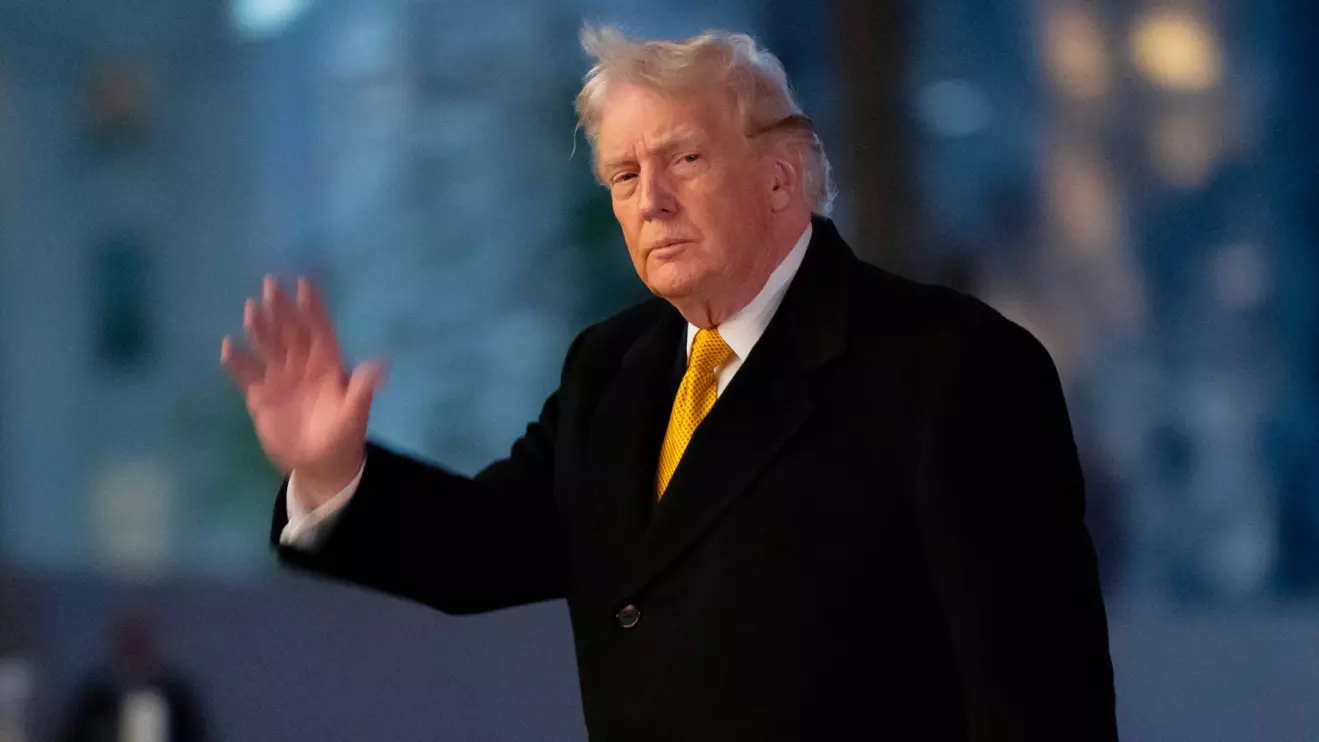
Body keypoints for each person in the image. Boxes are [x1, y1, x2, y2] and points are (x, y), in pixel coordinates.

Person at [221, 26, 1117, 741]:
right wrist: (333, 474)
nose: (647, 200)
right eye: (622, 174)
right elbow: (480, 548)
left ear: (779, 177)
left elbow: (1039, 697)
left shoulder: (949, 366)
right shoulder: (611, 369)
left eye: (681, 160)